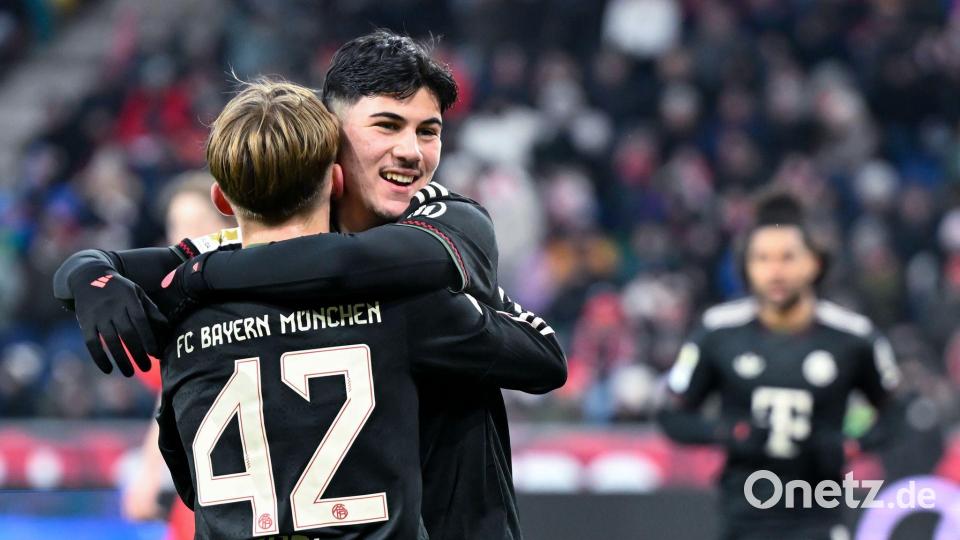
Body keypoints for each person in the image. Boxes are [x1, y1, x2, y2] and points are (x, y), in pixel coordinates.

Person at [54, 30, 562, 539]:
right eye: (387, 125)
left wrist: (197, 278)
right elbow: (539, 355)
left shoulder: (449, 220)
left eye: (428, 131)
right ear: (330, 132)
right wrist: (88, 272)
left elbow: (344, 265)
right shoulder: (412, 302)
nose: (412, 151)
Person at [657, 193, 902, 540]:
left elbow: (897, 411)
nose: (775, 271)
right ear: (745, 266)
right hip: (742, 518)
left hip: (819, 517)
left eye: (787, 257)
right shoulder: (717, 332)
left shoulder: (853, 337)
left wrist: (852, 445)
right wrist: (727, 432)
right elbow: (672, 415)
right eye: (762, 258)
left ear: (813, 263)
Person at [122, 172, 235, 539]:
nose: (186, 238)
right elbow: (168, 398)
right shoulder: (170, 306)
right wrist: (148, 475)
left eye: (199, 224)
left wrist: (149, 476)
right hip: (203, 487)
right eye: (178, 226)